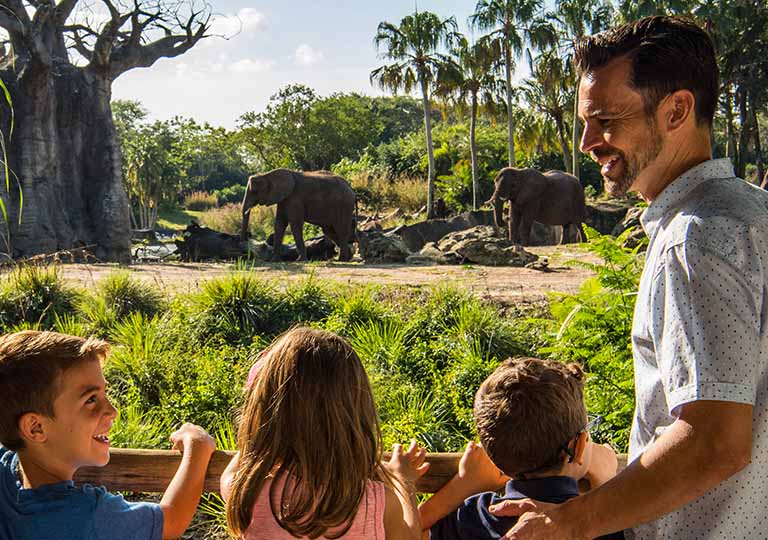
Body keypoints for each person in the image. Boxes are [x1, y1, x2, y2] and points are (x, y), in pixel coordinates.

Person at [491, 15, 768, 540]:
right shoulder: (755, 213)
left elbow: (715, 440)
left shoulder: (695, 240)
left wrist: (572, 522)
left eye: (605, 121)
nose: (586, 142)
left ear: (677, 111)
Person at [0, 330, 216, 540]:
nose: (113, 411)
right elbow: (170, 521)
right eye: (91, 400)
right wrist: (197, 447)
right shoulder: (88, 516)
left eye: (105, 393)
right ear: (35, 428)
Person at [220, 326, 429, 539]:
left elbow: (242, 460)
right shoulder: (373, 503)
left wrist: (261, 435)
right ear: (356, 412)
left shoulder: (246, 491)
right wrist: (404, 482)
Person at [418, 357, 622, 540]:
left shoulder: (478, 517)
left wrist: (463, 485)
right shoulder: (601, 527)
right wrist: (608, 486)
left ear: (491, 456)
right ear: (579, 447)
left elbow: (402, 533)